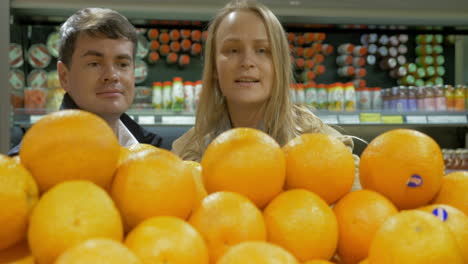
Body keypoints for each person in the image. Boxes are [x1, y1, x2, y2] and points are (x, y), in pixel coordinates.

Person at [171, 0, 360, 188]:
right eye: (233, 50)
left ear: (279, 64)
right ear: (213, 67)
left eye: (262, 50)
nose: (247, 62)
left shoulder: (321, 144)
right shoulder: (186, 153)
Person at [8, 7, 162, 156]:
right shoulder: (29, 162)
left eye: (122, 64)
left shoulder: (152, 153)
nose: (112, 75)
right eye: (94, 63)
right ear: (64, 76)